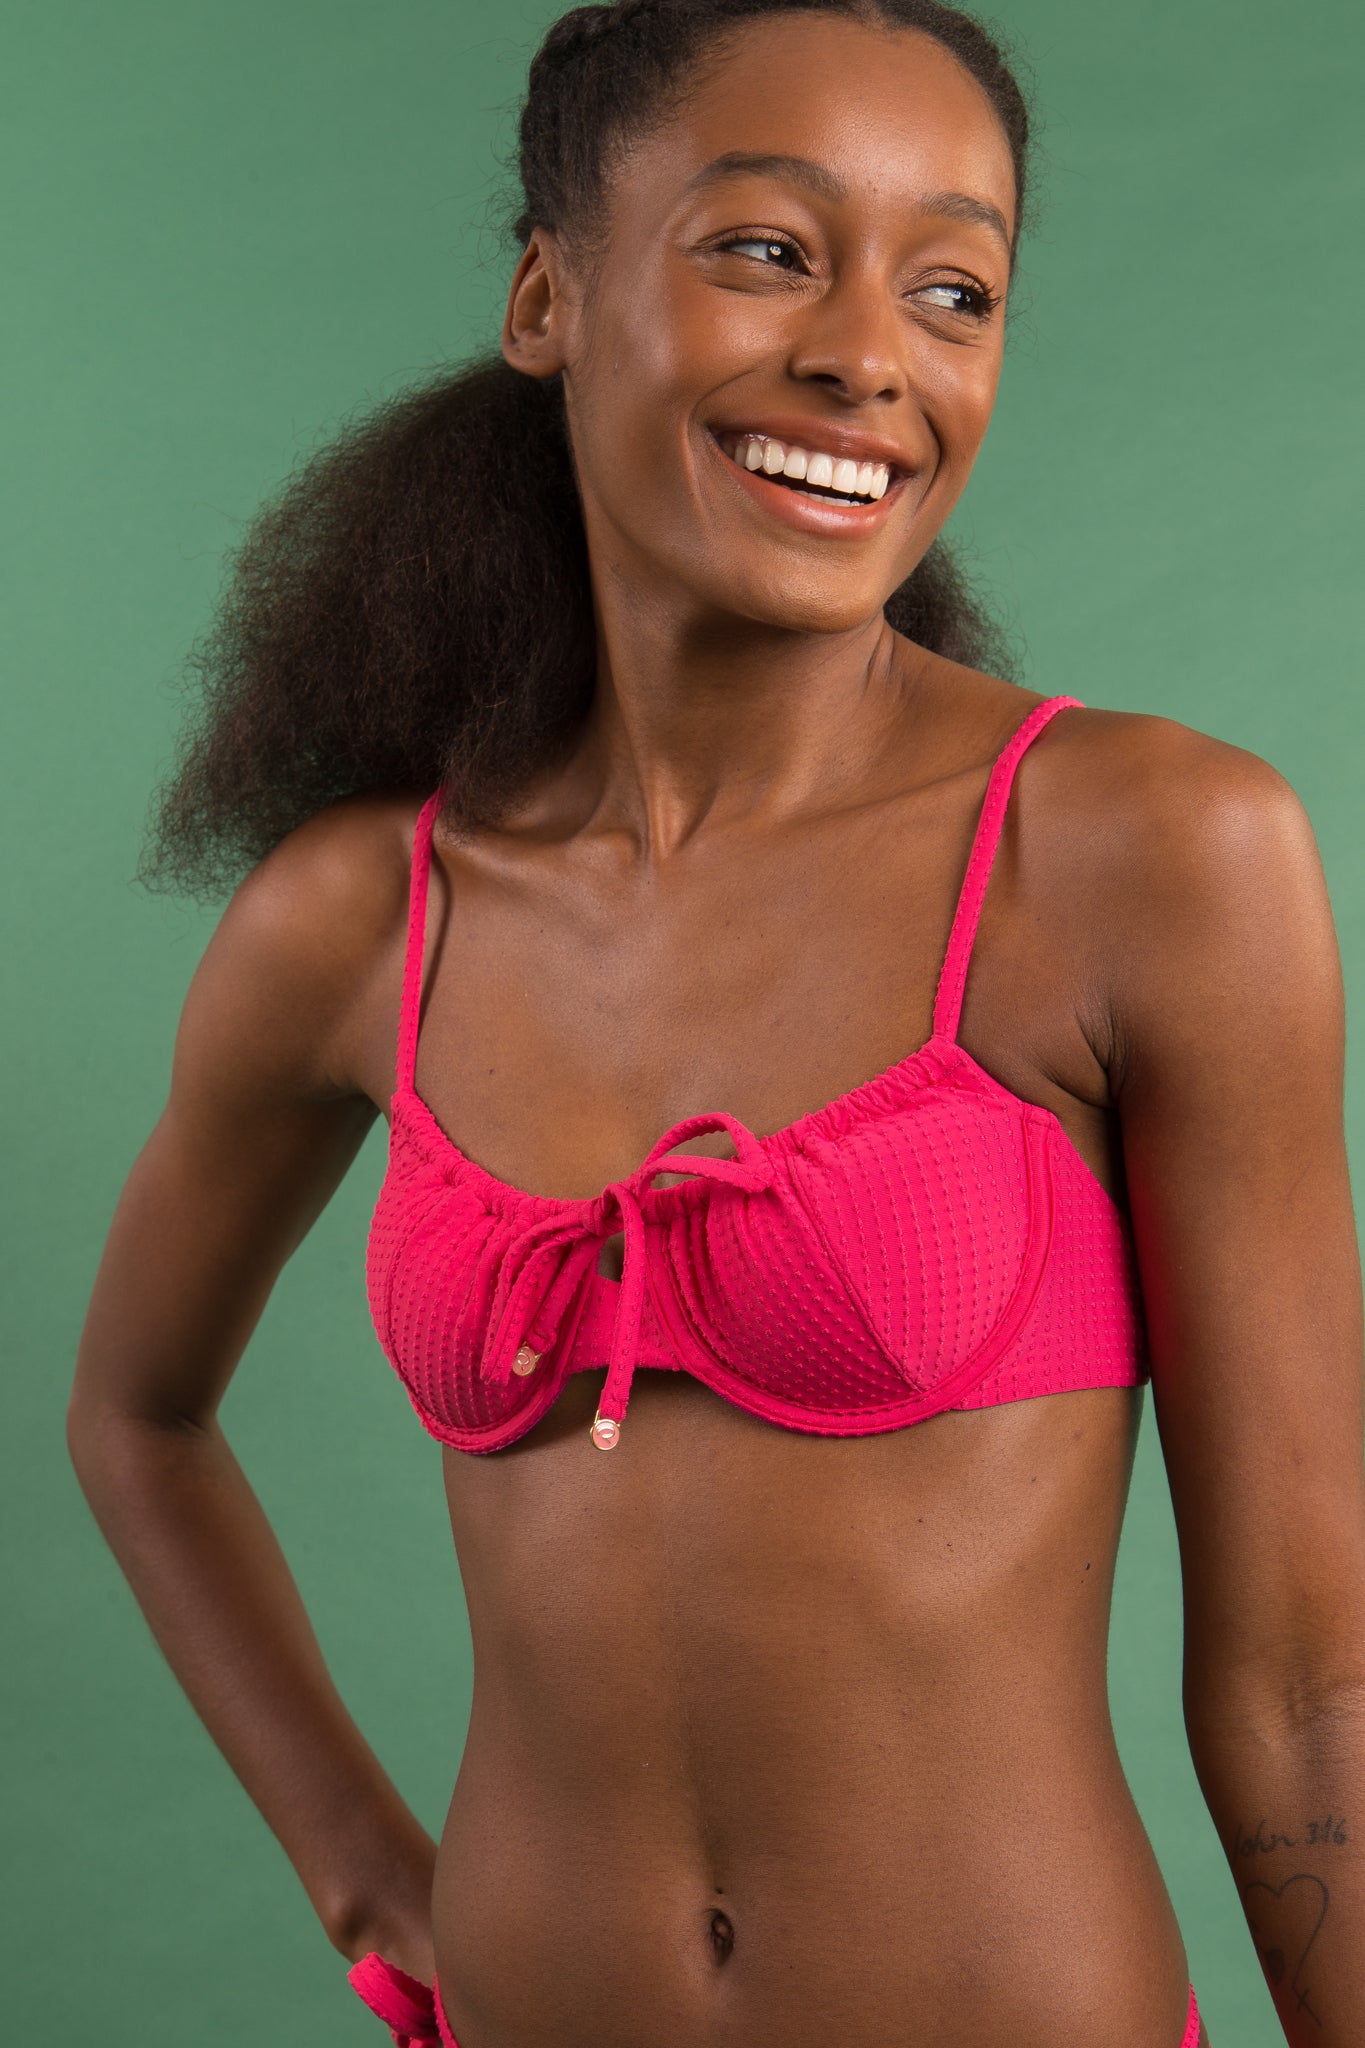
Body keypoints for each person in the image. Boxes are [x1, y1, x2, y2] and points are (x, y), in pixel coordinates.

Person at [66, 1, 1365, 2043]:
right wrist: (363, 1872)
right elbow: (133, 1417)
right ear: (546, 298)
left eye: (951, 289)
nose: (868, 355)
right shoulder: (360, 917)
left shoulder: (1145, 852)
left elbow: (1307, 1677)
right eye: (767, 248)